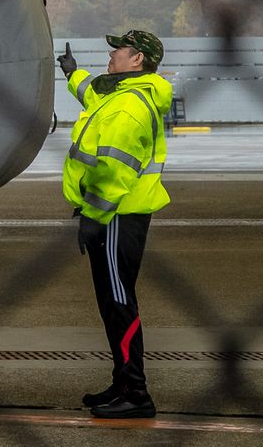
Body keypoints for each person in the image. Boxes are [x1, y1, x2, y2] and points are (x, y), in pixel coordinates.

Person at [59, 29, 171, 419]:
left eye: (117, 50)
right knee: (111, 302)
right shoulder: (122, 94)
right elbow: (93, 91)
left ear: (136, 58)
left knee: (119, 302)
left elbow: (114, 172)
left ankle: (136, 392)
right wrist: (72, 73)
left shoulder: (129, 107)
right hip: (117, 216)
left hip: (117, 216)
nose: (111, 54)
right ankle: (123, 382)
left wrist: (92, 216)